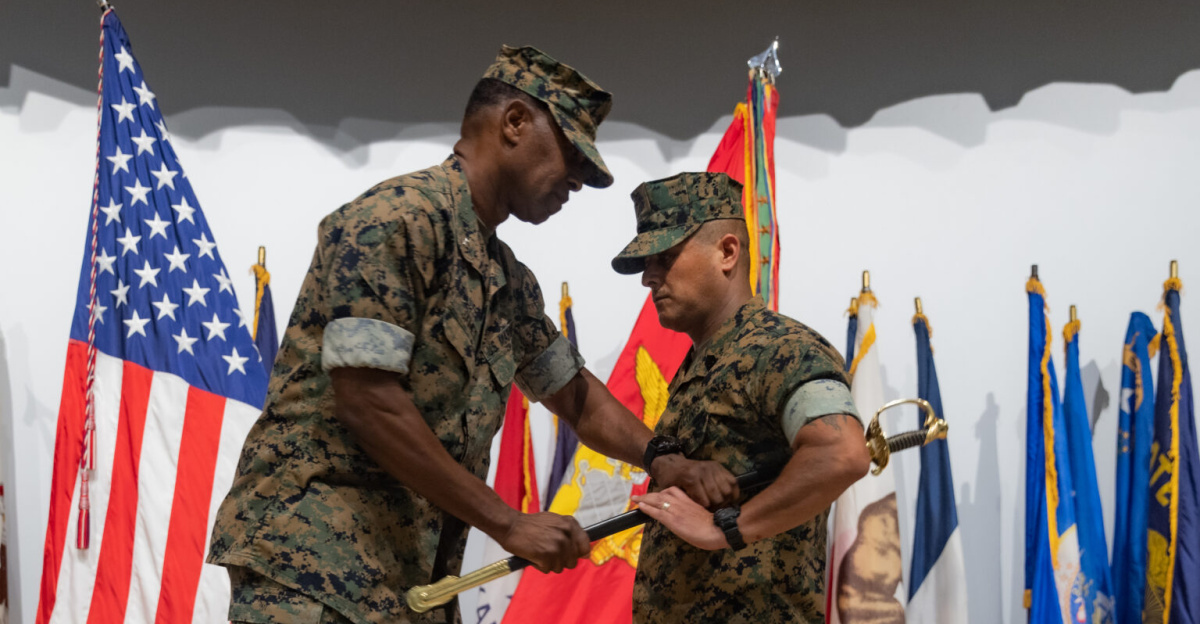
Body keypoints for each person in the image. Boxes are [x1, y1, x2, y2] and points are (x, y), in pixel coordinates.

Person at [208, 47, 737, 624]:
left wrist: (662, 459)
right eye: (571, 156)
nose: (578, 182)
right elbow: (367, 401)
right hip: (311, 568)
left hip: (410, 581)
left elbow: (573, 395)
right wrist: (508, 523)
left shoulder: (507, 280)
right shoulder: (395, 220)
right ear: (514, 123)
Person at [610, 172, 873, 623]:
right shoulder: (703, 363)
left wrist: (727, 530)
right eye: (647, 263)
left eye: (665, 257)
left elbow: (842, 453)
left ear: (727, 252)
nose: (648, 278)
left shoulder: (782, 348)